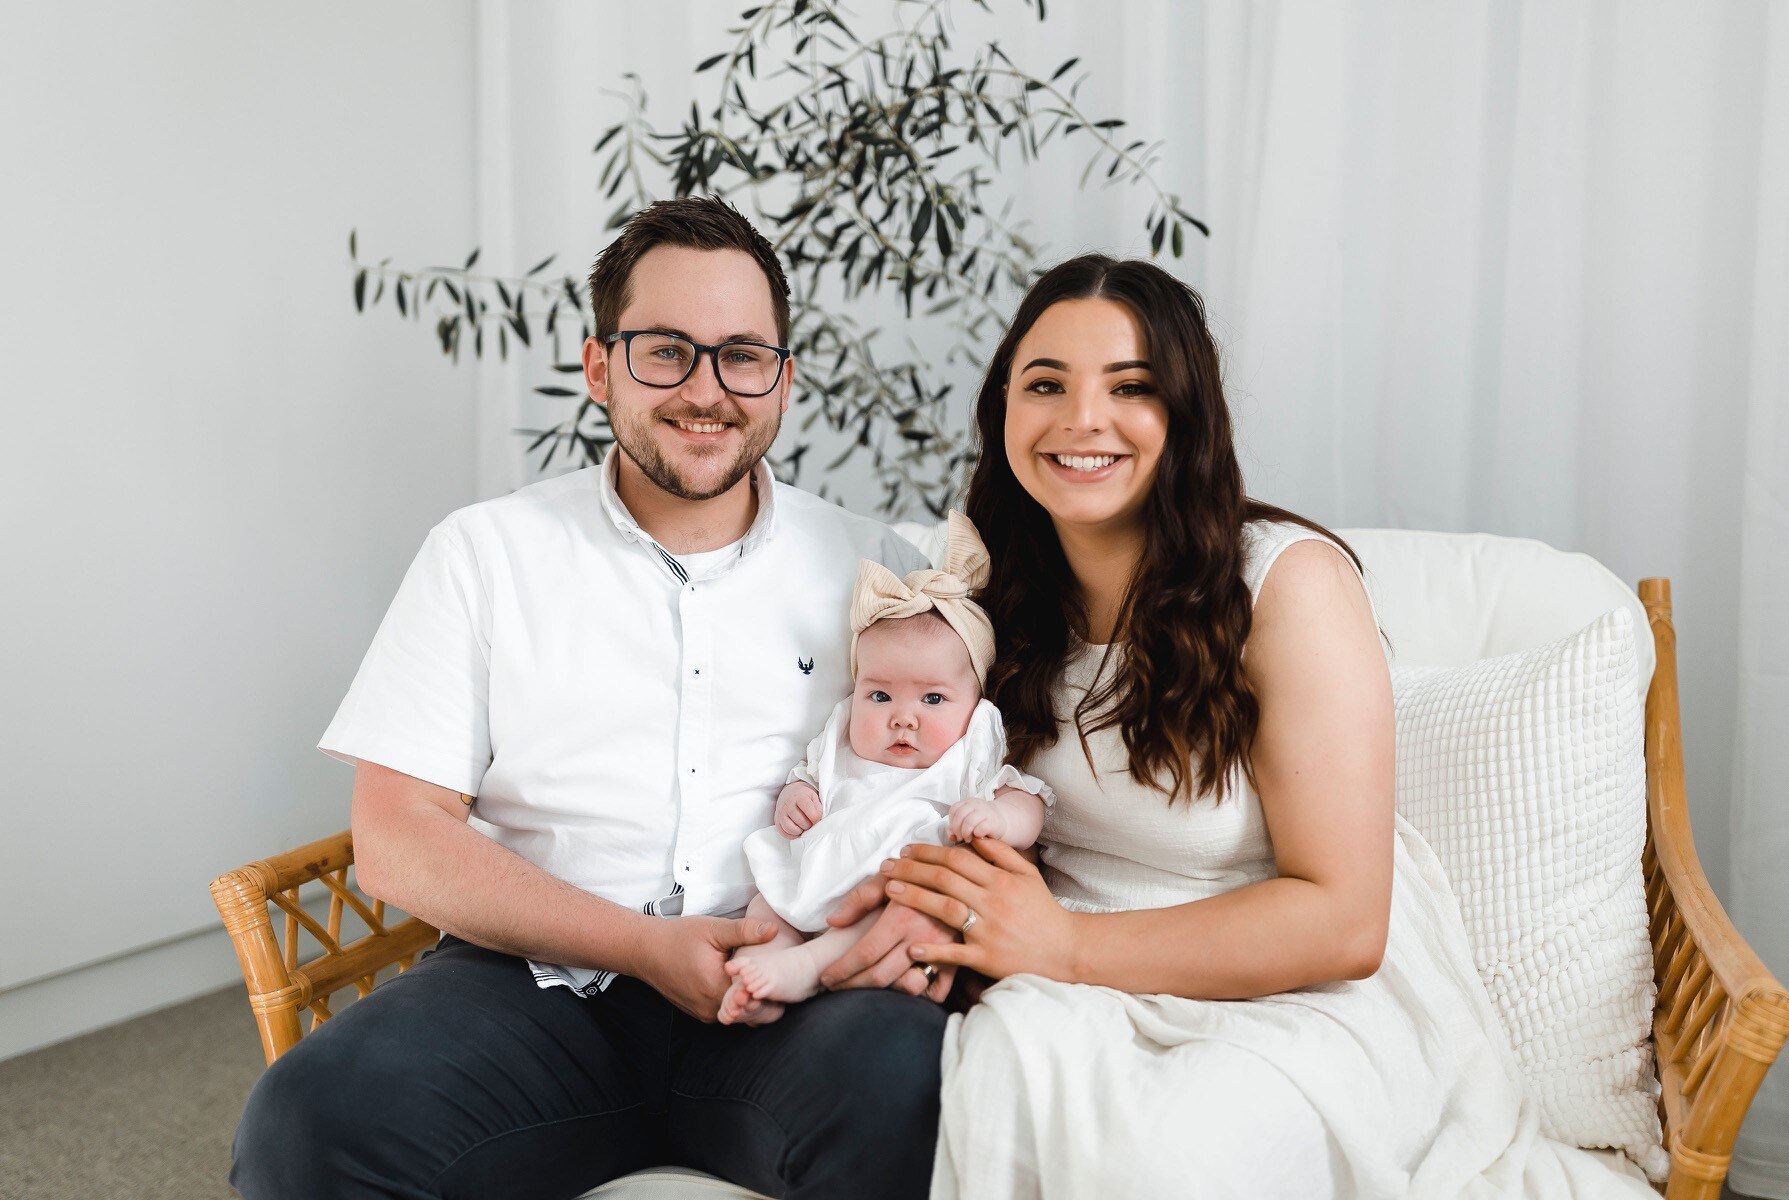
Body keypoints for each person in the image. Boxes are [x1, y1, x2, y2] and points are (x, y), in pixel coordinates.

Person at [848, 255, 1656, 1198]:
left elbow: (1345, 920)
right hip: (1067, 991)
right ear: (1003, 414)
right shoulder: (990, 596)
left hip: (1298, 994)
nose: (1080, 420)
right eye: (1045, 385)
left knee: (1162, 1159)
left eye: (1132, 387)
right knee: (981, 1104)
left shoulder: (1285, 583)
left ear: (1186, 417)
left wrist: (1061, 945)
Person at [230, 196, 955, 1200]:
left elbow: (965, 776)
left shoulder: (876, 568)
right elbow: (397, 837)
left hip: (794, 983)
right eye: (666, 350)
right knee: (311, 1122)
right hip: (531, 990)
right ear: (600, 365)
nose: (708, 390)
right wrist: (643, 947)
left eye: (742, 355)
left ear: (784, 379)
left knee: (906, 1080)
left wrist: (900, 929)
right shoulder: (485, 553)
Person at [722, 515, 1051, 1021]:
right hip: (816, 867)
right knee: (768, 903)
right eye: (880, 694)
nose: (902, 716)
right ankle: (759, 973)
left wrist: (1001, 819)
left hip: (892, 883)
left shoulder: (971, 749)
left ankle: (807, 967)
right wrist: (798, 796)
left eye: (933, 698)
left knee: (888, 907)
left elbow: (1026, 798)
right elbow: (809, 774)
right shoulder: (844, 732)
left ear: (975, 703)